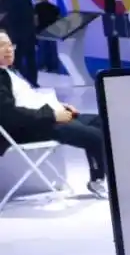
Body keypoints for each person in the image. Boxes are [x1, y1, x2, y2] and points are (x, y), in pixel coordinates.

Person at [0, 31, 108, 198]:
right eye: (2, 46)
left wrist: (59, 107)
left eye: (10, 45)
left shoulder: (10, 71)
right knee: (94, 136)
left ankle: (98, 177)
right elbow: (9, 116)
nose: (9, 50)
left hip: (42, 117)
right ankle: (100, 181)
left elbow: (29, 99)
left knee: (100, 121)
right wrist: (52, 115)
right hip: (28, 128)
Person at [1, 0, 38, 87]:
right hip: (29, 34)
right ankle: (32, 82)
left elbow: (2, 15)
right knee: (30, 60)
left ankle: (17, 84)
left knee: (14, 60)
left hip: (16, 35)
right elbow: (34, 18)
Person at [34, 0, 61, 72]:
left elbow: (36, 19)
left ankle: (42, 66)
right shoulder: (54, 7)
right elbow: (59, 19)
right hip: (53, 30)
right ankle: (54, 67)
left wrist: (35, 29)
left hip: (41, 30)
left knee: (42, 49)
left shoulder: (37, 7)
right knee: (53, 49)